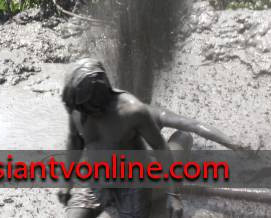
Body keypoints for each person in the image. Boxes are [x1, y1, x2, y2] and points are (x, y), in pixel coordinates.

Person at [58, 58, 183, 218]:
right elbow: (75, 141)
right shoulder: (77, 106)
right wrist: (67, 182)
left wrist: (174, 195)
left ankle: (183, 140)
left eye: (84, 106)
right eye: (77, 107)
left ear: (98, 97)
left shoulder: (132, 111)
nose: (80, 112)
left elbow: (160, 148)